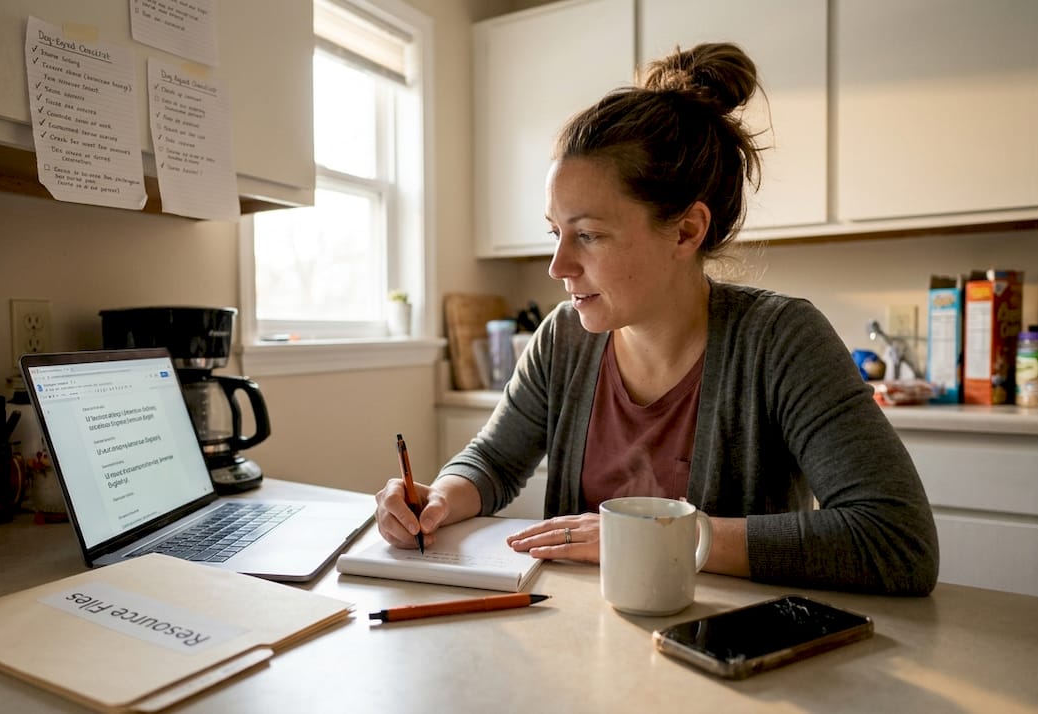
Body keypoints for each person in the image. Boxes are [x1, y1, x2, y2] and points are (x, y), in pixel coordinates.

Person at [375, 43, 939, 595]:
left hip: (728, 659)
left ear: (686, 231)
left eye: (589, 235)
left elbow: (896, 539)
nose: (557, 266)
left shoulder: (780, 340)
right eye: (556, 234)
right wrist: (443, 495)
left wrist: (657, 538)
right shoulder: (563, 338)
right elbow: (494, 460)